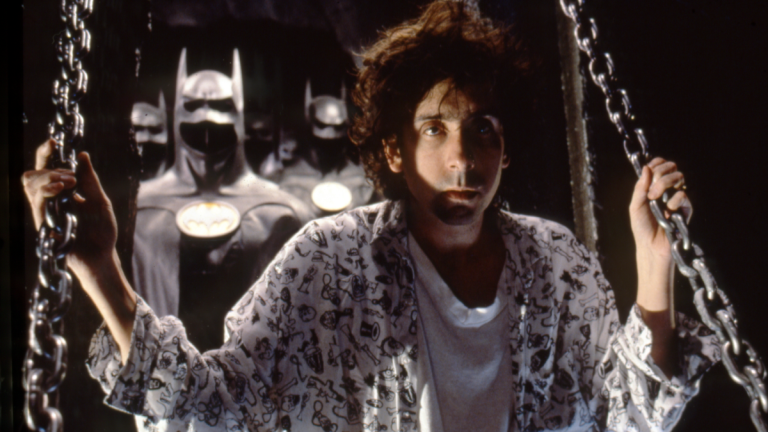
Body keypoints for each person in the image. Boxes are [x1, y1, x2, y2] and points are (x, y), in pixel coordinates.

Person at [22, 2, 719, 431]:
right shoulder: (328, 262)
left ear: (505, 148)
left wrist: (654, 261)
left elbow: (630, 416)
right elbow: (215, 403)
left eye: (482, 131)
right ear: (394, 148)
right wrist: (102, 269)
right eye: (434, 130)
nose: (462, 161)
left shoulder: (556, 263)